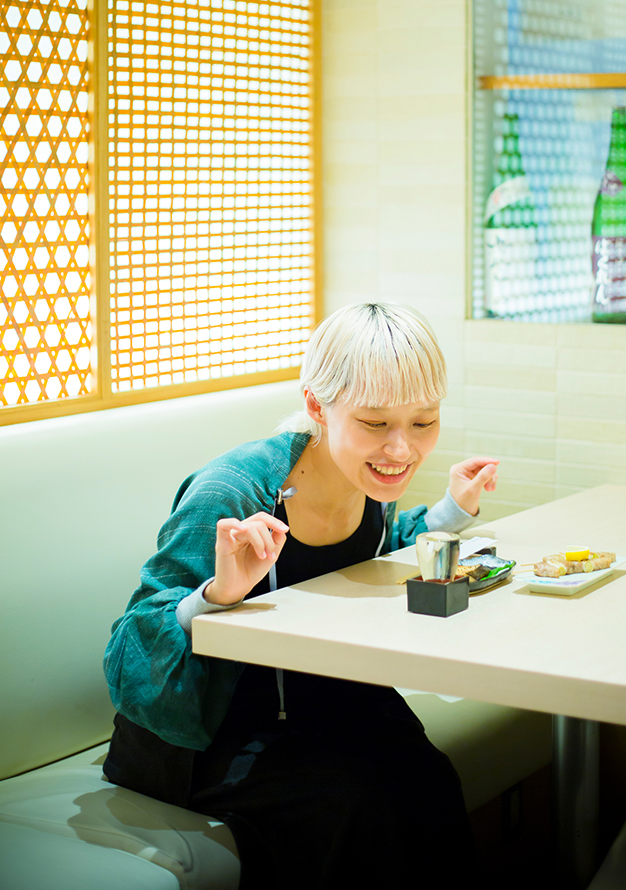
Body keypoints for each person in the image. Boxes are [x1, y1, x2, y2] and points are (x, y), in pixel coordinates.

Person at [103, 302, 500, 889]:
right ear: (316, 405)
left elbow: (372, 551)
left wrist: (451, 511)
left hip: (327, 703)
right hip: (209, 738)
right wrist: (215, 596)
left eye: (423, 422)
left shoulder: (370, 480)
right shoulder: (232, 493)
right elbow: (131, 650)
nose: (401, 450)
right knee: (362, 803)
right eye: (374, 424)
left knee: (429, 780)